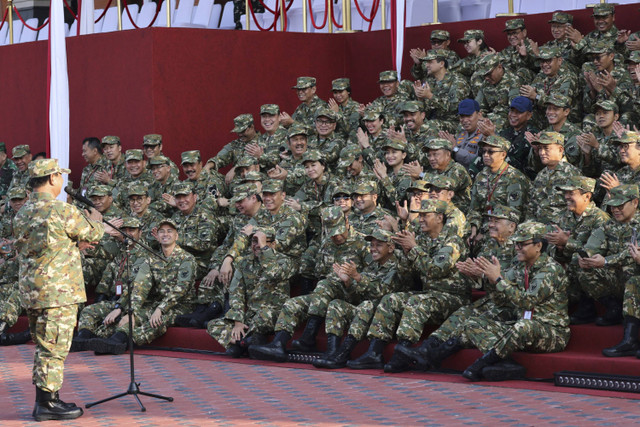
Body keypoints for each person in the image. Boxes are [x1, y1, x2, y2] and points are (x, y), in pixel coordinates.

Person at [13, 159, 105, 421]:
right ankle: (46, 404)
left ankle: (47, 398)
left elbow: (42, 246)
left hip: (34, 291)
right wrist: (96, 220)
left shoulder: (22, 214)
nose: (62, 181)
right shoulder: (61, 211)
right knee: (54, 348)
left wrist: (71, 247)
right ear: (53, 178)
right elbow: (94, 233)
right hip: (58, 292)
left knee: (44, 346)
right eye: (60, 176)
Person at [88, 218, 197, 355]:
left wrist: (160, 309)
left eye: (170, 231)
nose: (165, 234)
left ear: (177, 236)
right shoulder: (152, 259)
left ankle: (121, 341)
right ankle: (108, 339)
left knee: (158, 321)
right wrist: (124, 309)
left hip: (181, 305)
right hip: (157, 302)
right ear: (156, 236)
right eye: (161, 231)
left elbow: (181, 290)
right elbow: (139, 286)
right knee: (134, 315)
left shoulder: (186, 259)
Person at [207, 226, 293, 357]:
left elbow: (274, 273)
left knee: (263, 316)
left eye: (262, 241)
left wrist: (265, 249)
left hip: (273, 313)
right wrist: (238, 321)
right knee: (213, 324)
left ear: (273, 244)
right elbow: (236, 293)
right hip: (251, 315)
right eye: (254, 241)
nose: (257, 245)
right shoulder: (244, 263)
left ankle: (241, 345)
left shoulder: (284, 261)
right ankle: (245, 342)